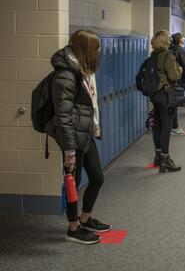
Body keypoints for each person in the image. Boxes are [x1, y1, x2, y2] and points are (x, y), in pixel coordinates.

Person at [47, 30, 109, 244]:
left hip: (85, 133)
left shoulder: (83, 70)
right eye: (97, 48)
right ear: (86, 50)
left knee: (97, 178)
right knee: (75, 181)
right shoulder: (66, 75)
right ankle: (73, 229)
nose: (100, 51)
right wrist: (69, 151)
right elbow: (62, 117)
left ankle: (85, 218)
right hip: (72, 137)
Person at [150, 30, 183, 173]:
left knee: (157, 125)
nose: (170, 40)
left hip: (155, 96)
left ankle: (157, 155)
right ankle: (165, 160)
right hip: (166, 95)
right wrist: (180, 69)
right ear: (165, 41)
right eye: (168, 38)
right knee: (166, 127)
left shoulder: (153, 56)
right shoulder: (168, 56)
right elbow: (174, 76)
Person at [170, 33, 185, 136]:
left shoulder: (169, 50)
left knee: (170, 104)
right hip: (179, 81)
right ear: (180, 40)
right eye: (183, 39)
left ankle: (171, 126)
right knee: (175, 104)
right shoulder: (181, 51)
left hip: (169, 82)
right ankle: (175, 127)